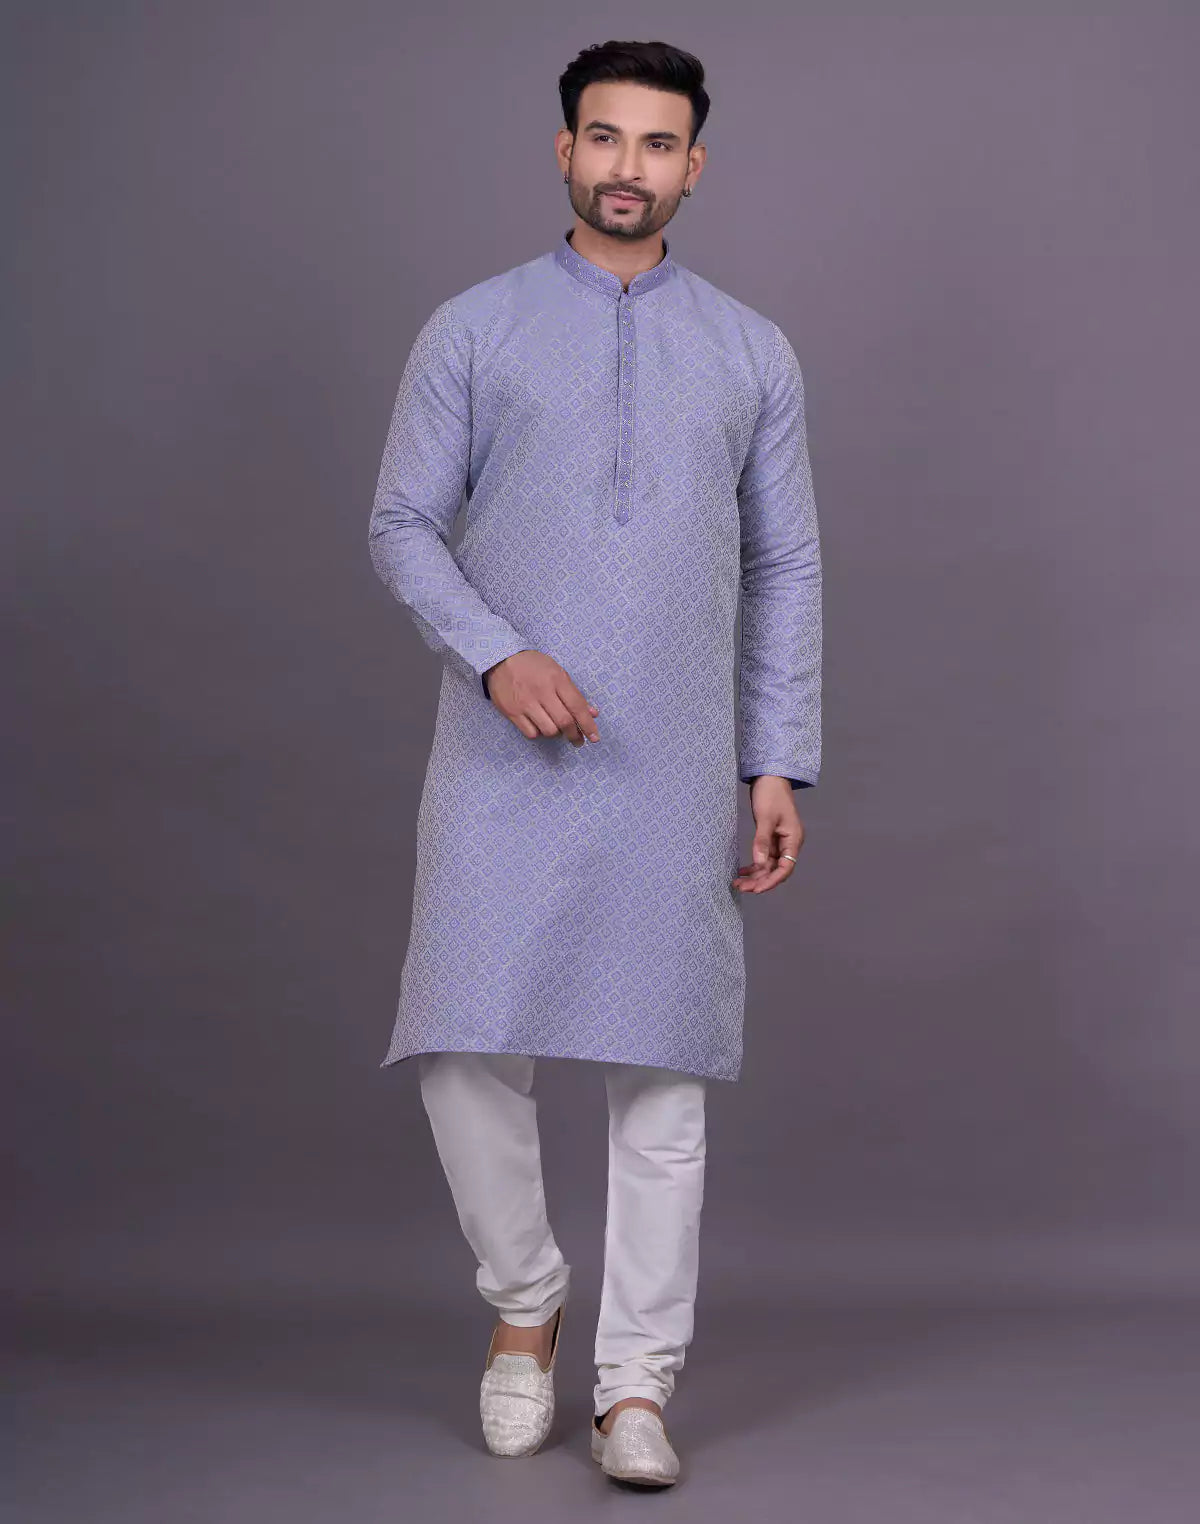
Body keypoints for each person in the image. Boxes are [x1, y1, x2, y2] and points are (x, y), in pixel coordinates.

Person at [367, 38, 822, 1489]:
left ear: (695, 166)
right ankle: (525, 1307)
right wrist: (496, 652)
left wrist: (775, 759)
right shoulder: (473, 330)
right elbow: (401, 523)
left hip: (674, 755)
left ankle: (636, 1382)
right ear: (563, 151)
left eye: (658, 143)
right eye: (606, 138)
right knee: (460, 1041)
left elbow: (785, 566)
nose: (630, 167)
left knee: (664, 1070)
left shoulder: (750, 351)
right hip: (502, 746)